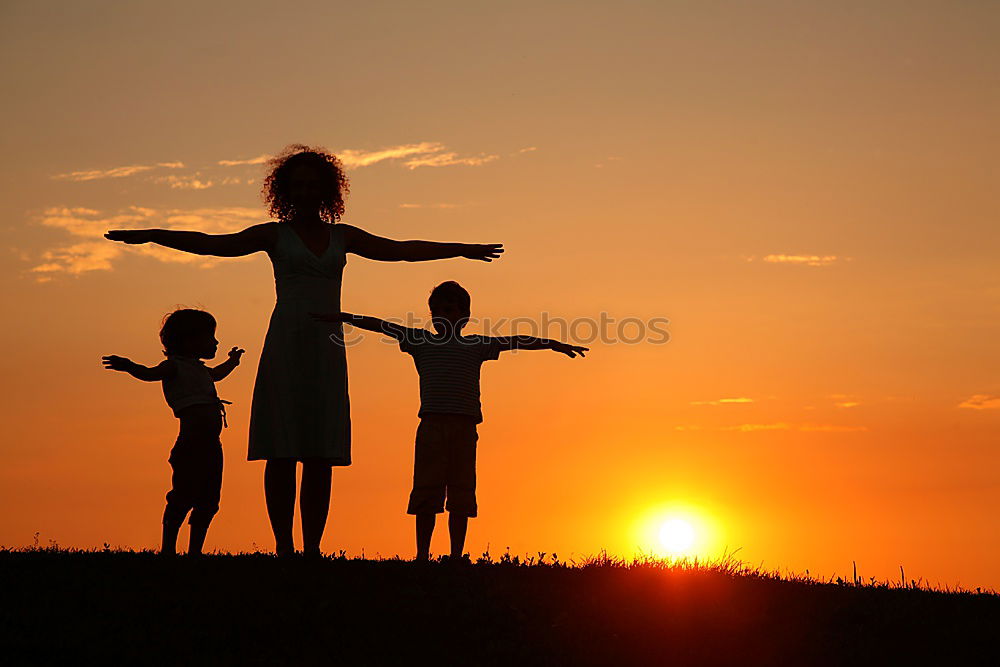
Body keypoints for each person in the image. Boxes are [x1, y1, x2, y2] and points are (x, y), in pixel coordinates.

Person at [104, 144, 503, 557]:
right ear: (285, 191)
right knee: (281, 450)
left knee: (320, 453)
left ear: (327, 190)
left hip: (326, 349)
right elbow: (212, 244)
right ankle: (284, 547)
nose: (306, 191)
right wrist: (152, 236)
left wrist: (459, 249)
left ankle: (311, 549)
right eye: (298, 185)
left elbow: (400, 250)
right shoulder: (272, 235)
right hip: (286, 344)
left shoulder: (343, 236)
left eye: (314, 184)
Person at [312, 280, 588, 562]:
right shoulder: (420, 340)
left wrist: (553, 344)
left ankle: (456, 555)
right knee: (426, 491)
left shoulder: (477, 344)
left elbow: (515, 340)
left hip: (465, 428)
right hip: (431, 426)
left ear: (464, 315)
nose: (443, 316)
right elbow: (382, 325)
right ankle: (422, 555)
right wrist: (345, 317)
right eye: (437, 311)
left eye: (450, 310)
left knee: (461, 491)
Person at [102, 308, 243, 556]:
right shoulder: (173, 367)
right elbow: (148, 374)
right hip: (190, 445)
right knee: (182, 496)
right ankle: (168, 548)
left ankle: (194, 551)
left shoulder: (200, 370)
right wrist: (129, 366)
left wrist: (232, 362)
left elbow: (216, 375)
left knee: (209, 500)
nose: (216, 342)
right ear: (189, 340)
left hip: (212, 447)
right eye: (210, 337)